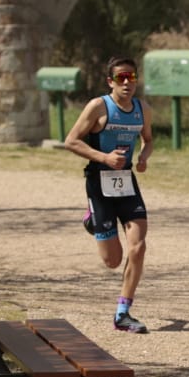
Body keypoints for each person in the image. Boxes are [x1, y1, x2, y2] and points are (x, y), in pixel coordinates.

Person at [63, 56, 154, 334]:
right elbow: (71, 141)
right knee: (112, 261)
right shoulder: (98, 106)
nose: (127, 83)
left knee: (138, 247)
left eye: (132, 77)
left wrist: (143, 158)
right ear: (110, 82)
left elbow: (148, 140)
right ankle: (92, 219)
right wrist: (103, 156)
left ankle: (122, 313)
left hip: (126, 181)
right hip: (98, 183)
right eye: (121, 78)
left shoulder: (142, 109)